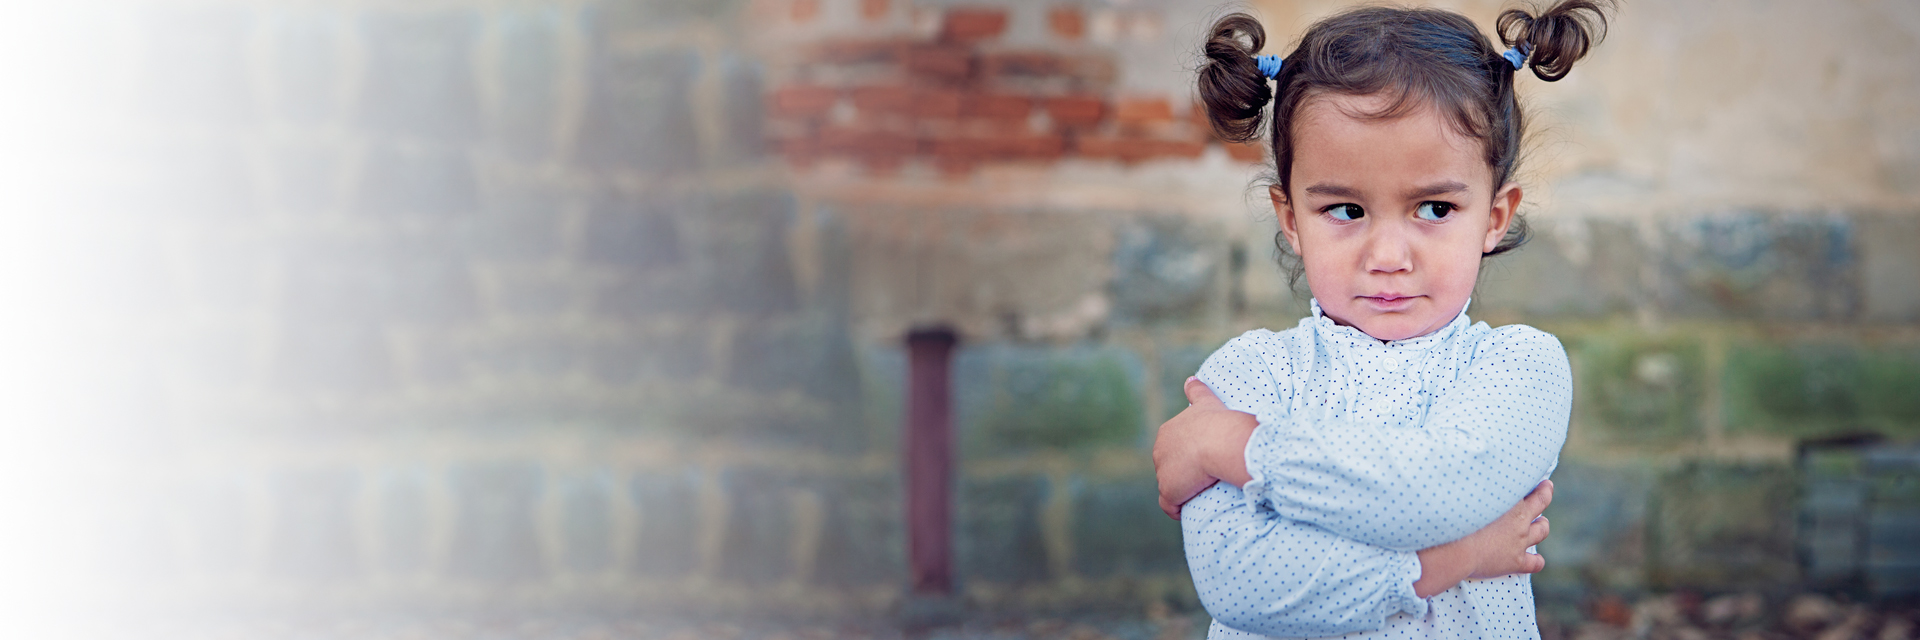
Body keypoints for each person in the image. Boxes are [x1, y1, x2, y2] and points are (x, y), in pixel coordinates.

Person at [1151, 2, 1611, 638]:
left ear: (1495, 217)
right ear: (1290, 219)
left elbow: (1435, 490)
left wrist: (1236, 447)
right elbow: (1242, 584)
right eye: (1344, 209)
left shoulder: (1518, 368)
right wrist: (1451, 562)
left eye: (1435, 208)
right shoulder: (1247, 374)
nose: (1388, 258)